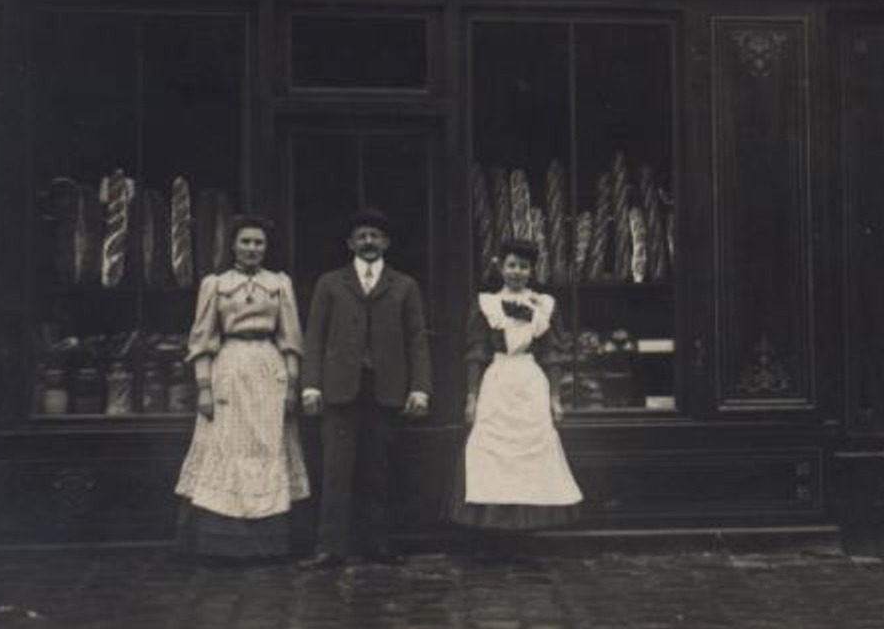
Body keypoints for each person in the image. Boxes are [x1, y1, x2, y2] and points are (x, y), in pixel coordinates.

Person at [300, 207, 432, 568]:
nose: (369, 242)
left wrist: (420, 388)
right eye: (361, 236)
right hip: (339, 389)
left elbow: (417, 340)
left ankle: (378, 544)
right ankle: (330, 548)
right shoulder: (331, 283)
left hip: (386, 390)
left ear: (386, 242)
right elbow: (314, 338)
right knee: (336, 470)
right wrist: (310, 385)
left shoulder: (404, 286)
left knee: (379, 471)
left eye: (375, 236)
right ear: (350, 244)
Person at [174, 214, 309, 561]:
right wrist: (204, 387)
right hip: (229, 367)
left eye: (258, 242)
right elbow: (202, 340)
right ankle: (220, 544)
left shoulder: (279, 284)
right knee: (225, 444)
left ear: (266, 248)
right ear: (233, 245)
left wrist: (292, 386)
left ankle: (268, 544)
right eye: (245, 241)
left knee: (268, 445)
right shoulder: (216, 285)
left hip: (268, 369)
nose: (252, 248)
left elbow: (291, 340)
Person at [448, 237, 582, 536]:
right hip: (497, 382)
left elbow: (552, 354)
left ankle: (526, 530)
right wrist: (471, 397)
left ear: (532, 270)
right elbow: (476, 352)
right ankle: (494, 530)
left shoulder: (545, 305)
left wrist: (556, 397)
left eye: (523, 266)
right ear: (500, 267)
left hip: (530, 382)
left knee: (531, 450)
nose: (517, 272)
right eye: (511, 265)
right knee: (493, 449)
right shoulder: (487, 304)